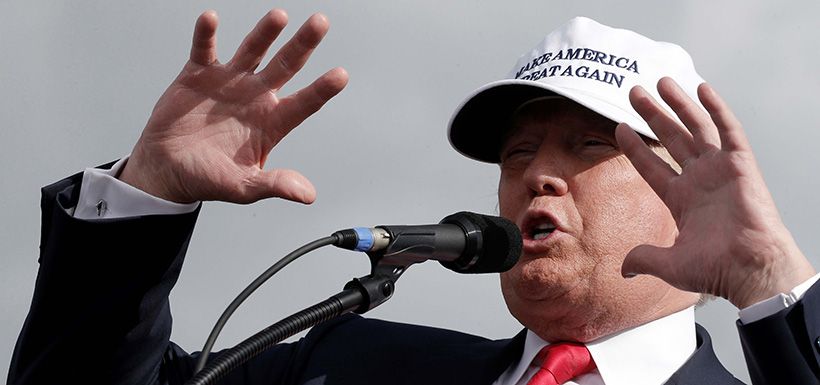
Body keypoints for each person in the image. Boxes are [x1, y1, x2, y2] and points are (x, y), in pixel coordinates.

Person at [8, 9, 819, 385]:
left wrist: (769, 277)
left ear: (685, 191)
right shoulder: (350, 363)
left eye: (589, 146)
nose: (537, 174)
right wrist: (148, 192)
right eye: (517, 152)